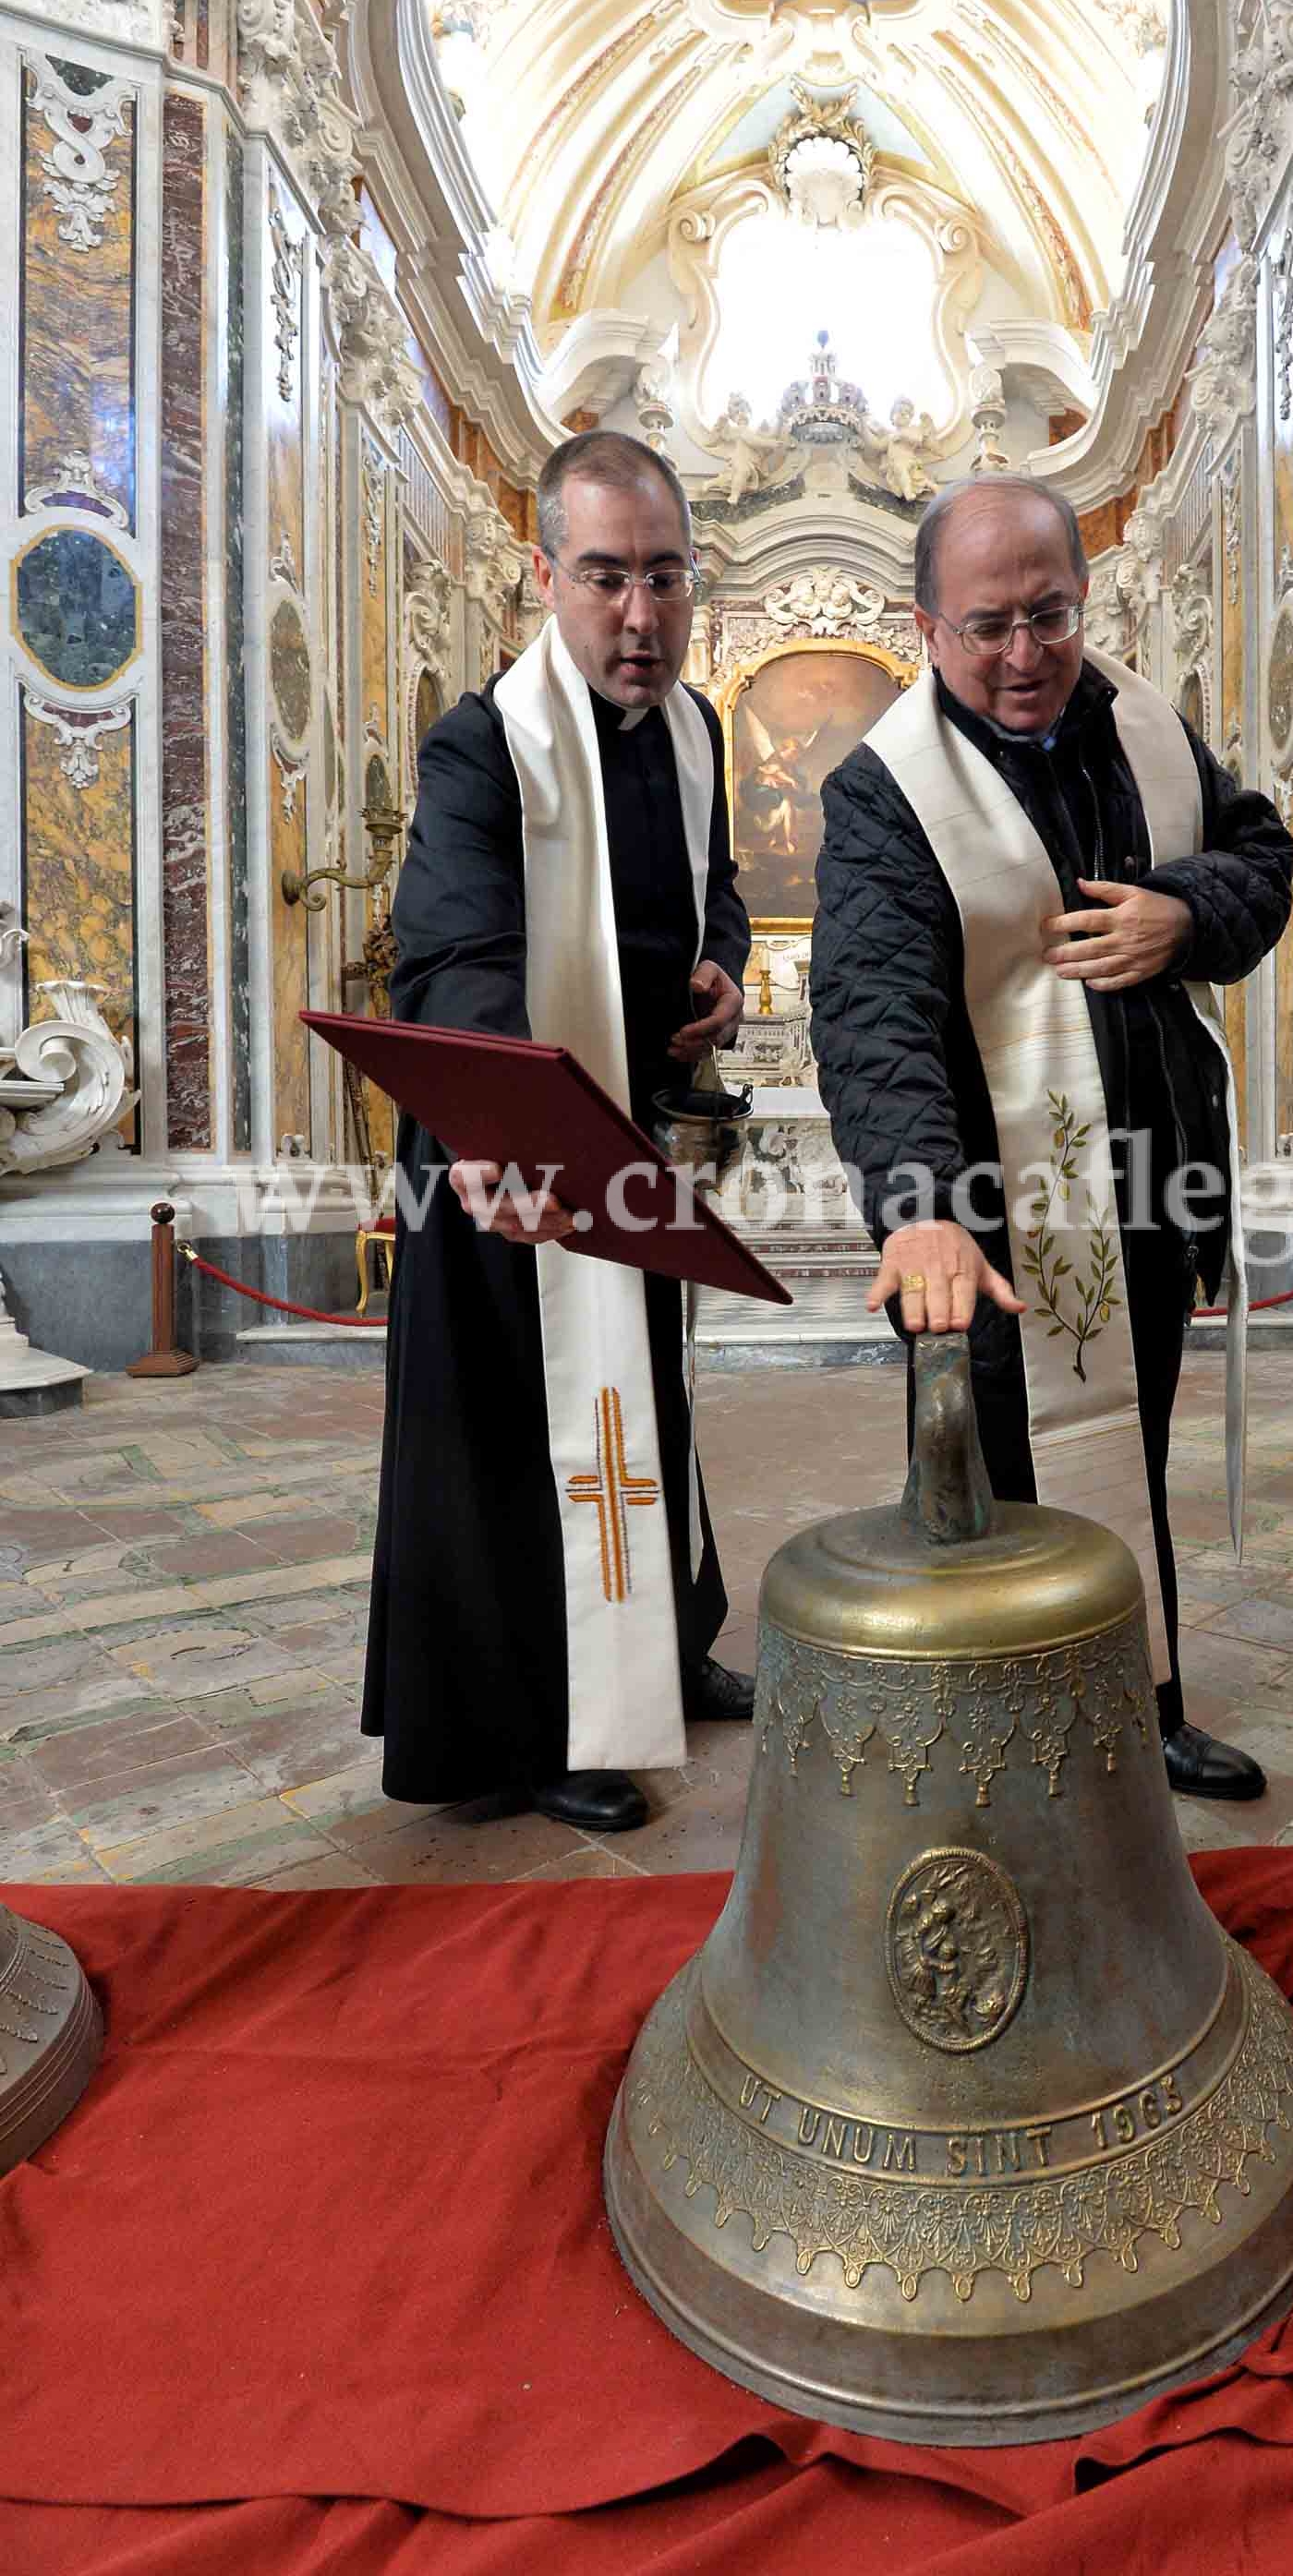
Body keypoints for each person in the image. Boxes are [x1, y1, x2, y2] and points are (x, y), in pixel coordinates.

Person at [808, 475, 1293, 1801]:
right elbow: (872, 1015)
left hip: (1150, 1178)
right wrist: (917, 1208)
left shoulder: (1141, 721)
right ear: (925, 626)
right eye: (986, 627)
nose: (1023, 656)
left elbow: (1265, 854)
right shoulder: (884, 793)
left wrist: (1182, 915)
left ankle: (1140, 1712)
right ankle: (999, 1752)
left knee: (1126, 1452)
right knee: (987, 1489)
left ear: (1085, 600)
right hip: (980, 1211)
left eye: (1051, 615)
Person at [365, 433, 755, 1834]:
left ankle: (663, 1644)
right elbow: (453, 950)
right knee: (516, 1445)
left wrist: (723, 966)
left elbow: (709, 897)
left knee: (649, 1400)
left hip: (628, 1138)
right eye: (605, 578)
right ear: (545, 575)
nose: (639, 616)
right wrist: (496, 1122)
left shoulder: (697, 730)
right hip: (500, 1162)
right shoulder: (486, 742)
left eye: (664, 578)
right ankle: (532, 1725)